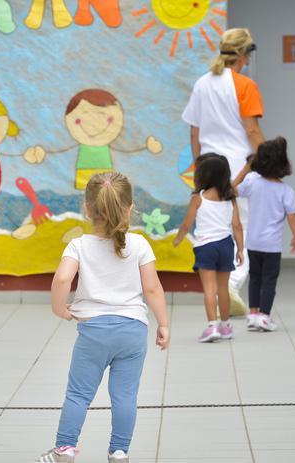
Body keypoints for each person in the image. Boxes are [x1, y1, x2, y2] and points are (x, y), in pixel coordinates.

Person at [36, 172, 170, 463]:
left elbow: (61, 280)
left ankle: (65, 449)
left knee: (78, 395)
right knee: (124, 397)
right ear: (130, 207)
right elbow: (152, 287)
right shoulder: (140, 245)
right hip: (133, 332)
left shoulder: (78, 246)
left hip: (94, 333)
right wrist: (164, 323)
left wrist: (60, 308)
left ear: (87, 208)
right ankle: (119, 452)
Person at [182, 27, 265, 310]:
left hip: (208, 165)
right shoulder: (244, 85)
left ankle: (219, 289)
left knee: (214, 228)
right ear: (243, 54)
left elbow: (194, 132)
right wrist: (268, 159)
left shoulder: (202, 84)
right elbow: (252, 130)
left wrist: (198, 168)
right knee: (245, 225)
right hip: (238, 166)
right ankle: (230, 284)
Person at [172, 153, 243, 342]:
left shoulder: (198, 198)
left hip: (206, 247)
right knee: (223, 289)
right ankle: (226, 326)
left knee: (209, 289)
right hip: (226, 245)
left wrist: (178, 239)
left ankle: (212, 327)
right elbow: (237, 225)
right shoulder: (230, 198)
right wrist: (241, 249)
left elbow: (187, 224)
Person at [233, 138, 295, 332]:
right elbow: (292, 217)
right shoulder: (286, 191)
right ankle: (264, 316)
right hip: (272, 245)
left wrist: (246, 169)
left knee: (255, 277)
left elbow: (232, 189)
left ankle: (253, 314)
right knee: (269, 280)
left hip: (252, 242)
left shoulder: (253, 183)